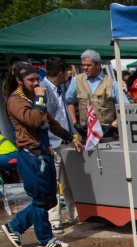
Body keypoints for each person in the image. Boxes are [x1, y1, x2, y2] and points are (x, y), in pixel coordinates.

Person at [2, 62, 83, 247]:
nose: (35, 83)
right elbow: (35, 120)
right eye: (30, 80)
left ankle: (20, 229)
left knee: (49, 200)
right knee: (41, 200)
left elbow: (50, 122)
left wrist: (69, 136)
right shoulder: (15, 100)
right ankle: (39, 236)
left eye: (37, 79)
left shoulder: (32, 98)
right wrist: (40, 97)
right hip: (31, 156)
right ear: (19, 80)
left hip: (43, 154)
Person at [41, 56, 77, 233]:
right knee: (53, 183)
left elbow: (64, 115)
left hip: (65, 140)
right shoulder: (42, 90)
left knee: (69, 180)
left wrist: (73, 135)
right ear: (61, 72)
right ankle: (54, 218)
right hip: (51, 142)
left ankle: (73, 213)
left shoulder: (61, 88)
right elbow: (42, 120)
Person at [66, 49, 124, 141]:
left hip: (106, 132)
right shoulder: (76, 80)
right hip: (85, 132)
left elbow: (126, 107)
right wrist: (75, 123)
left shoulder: (111, 83)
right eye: (83, 65)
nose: (85, 68)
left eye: (89, 65)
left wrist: (114, 125)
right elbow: (69, 102)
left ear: (98, 65)